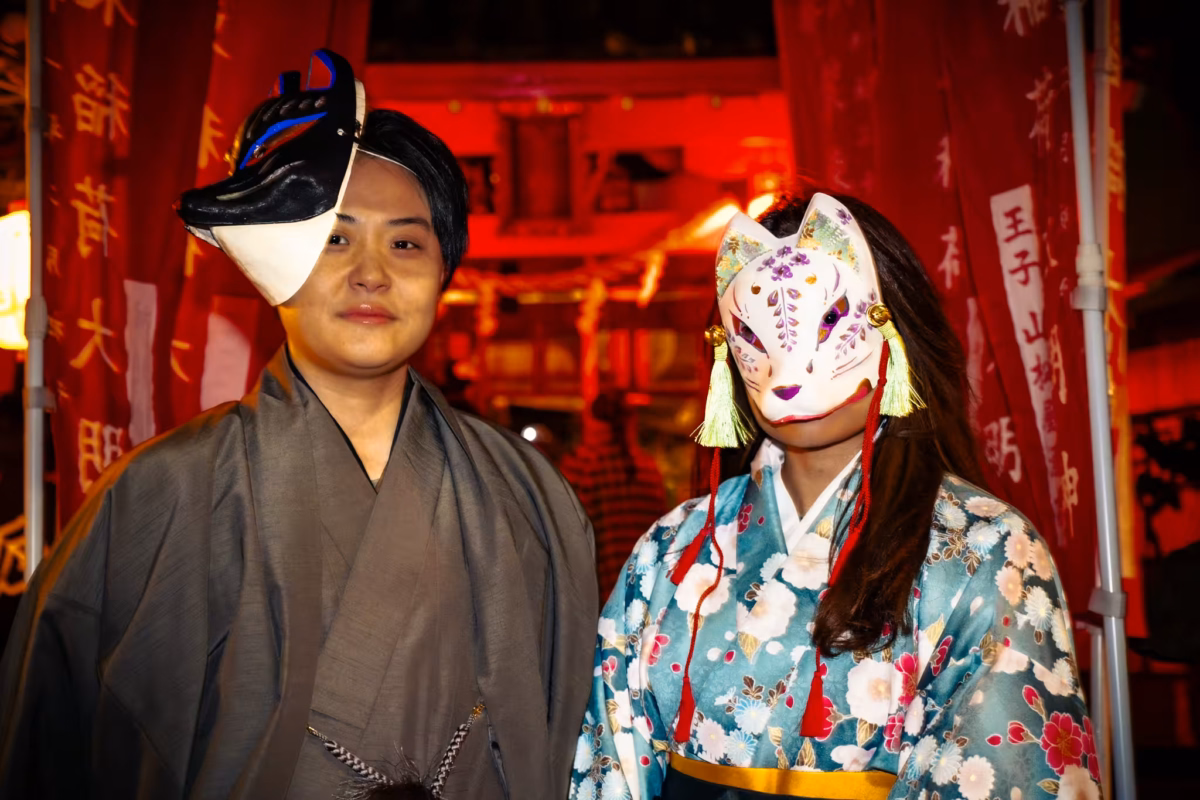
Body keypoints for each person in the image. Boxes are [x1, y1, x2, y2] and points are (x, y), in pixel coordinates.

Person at [0, 50, 597, 800]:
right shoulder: (163, 492)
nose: (371, 273)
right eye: (334, 239)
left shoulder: (528, 494)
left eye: (406, 242)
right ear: (269, 264)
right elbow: (55, 744)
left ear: (446, 269)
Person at [569, 193, 1101, 799]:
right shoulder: (674, 547)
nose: (790, 374)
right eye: (754, 334)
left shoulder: (986, 550)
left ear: (894, 327)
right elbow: (610, 758)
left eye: (828, 322)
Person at [559, 391, 667, 600]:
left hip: (599, 595)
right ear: (631, 422)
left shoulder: (581, 467)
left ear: (590, 421)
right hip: (645, 590)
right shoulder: (648, 469)